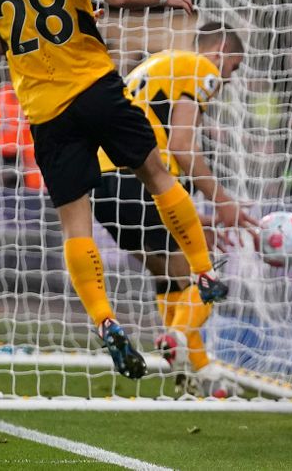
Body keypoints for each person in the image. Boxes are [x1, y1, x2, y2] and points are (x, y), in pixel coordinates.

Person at [0, 0, 227, 380]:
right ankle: (204, 273)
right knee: (155, 172)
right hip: (93, 87)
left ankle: (105, 320)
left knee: (75, 223)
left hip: (45, 111)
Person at [93, 23, 256, 395]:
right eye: (232, 68)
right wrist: (224, 201)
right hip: (140, 180)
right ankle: (180, 342)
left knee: (171, 277)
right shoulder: (202, 67)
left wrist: (205, 215)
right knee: (204, 276)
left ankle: (198, 375)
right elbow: (182, 147)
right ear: (219, 51)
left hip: (105, 186)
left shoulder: (158, 65)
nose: (227, 79)